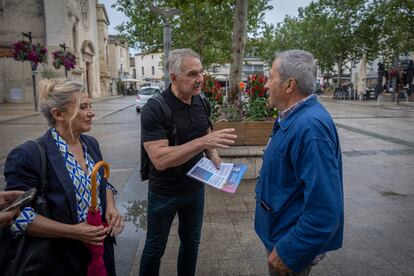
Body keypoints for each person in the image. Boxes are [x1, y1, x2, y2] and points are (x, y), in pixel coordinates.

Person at [3, 78, 124, 275]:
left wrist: (111, 206)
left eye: (90, 105)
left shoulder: (90, 143)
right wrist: (75, 231)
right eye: (83, 107)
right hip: (58, 259)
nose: (92, 112)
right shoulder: (29, 155)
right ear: (58, 114)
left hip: (100, 251)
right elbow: (18, 217)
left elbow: (102, 183)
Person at [139, 48, 237, 276]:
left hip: (195, 189)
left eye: (201, 73)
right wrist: (203, 143)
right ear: (173, 77)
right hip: (164, 192)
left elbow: (205, 130)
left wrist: (212, 154)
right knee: (155, 249)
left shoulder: (201, 101)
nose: (200, 79)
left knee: (191, 245)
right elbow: (160, 159)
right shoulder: (155, 108)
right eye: (192, 74)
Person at [254, 50, 344, 276]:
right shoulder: (293, 116)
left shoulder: (310, 128)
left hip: (287, 243)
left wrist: (289, 251)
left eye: (271, 77)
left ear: (289, 85)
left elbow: (325, 209)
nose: (266, 84)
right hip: (278, 230)